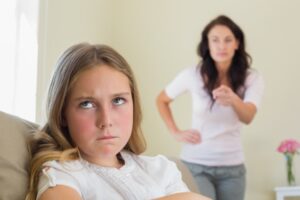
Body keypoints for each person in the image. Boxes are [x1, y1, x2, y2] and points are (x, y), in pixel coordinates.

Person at [25, 43, 210, 200]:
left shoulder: (162, 169)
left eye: (118, 101)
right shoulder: (61, 174)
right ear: (62, 114)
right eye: (87, 104)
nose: (106, 121)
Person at [156, 15, 264, 200]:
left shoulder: (251, 78)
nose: (221, 46)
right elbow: (161, 100)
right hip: (196, 165)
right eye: (215, 40)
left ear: (237, 43)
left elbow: (248, 117)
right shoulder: (192, 75)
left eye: (228, 40)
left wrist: (233, 99)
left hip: (233, 168)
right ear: (207, 44)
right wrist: (175, 132)